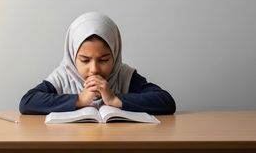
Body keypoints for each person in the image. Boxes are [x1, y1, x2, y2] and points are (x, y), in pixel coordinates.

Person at [19, 12, 176, 115]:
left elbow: (166, 101)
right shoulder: (64, 76)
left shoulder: (123, 75)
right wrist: (79, 100)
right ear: (72, 56)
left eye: (104, 59)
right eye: (85, 60)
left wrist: (115, 99)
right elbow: (27, 102)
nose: (94, 69)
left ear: (115, 54)